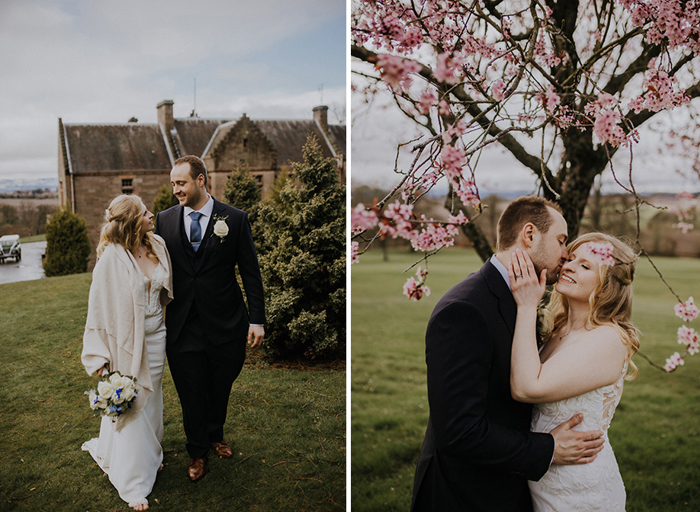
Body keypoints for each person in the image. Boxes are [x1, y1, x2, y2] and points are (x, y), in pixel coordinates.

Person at [411, 196, 606, 512]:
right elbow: (459, 432)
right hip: (465, 497)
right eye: (561, 240)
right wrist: (549, 449)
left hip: (510, 489)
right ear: (529, 235)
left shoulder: (524, 295)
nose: (567, 253)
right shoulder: (465, 310)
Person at [508, 232, 639, 511]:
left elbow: (527, 387)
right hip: (544, 478)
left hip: (580, 489)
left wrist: (527, 305)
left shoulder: (609, 339)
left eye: (585, 265)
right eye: (570, 259)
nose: (568, 266)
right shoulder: (558, 330)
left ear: (606, 287)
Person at [154, 155, 265, 482]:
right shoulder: (164, 220)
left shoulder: (235, 219)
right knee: (191, 392)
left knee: (220, 387)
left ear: (201, 180)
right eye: (173, 183)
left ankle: (216, 434)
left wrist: (256, 319)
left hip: (226, 323)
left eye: (181, 183)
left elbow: (251, 273)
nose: (175, 189)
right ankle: (197, 451)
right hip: (182, 326)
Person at [81, 194, 173, 511]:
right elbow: (98, 310)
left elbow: (165, 292)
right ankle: (134, 483)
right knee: (132, 406)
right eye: (144, 212)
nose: (151, 215)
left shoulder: (157, 245)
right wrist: (99, 357)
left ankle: (151, 455)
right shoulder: (111, 259)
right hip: (128, 343)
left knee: (152, 400)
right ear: (132, 220)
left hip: (157, 337)